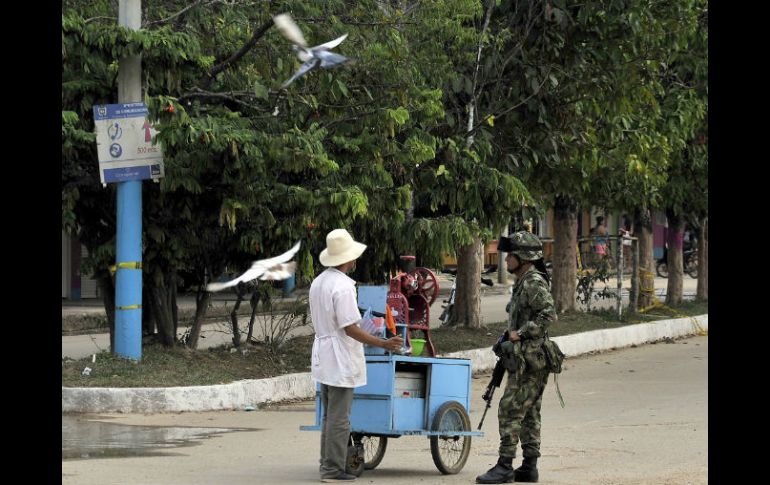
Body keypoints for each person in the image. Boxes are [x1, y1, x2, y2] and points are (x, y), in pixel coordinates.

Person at [309, 228, 403, 483]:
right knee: (339, 418)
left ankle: (326, 464)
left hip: (324, 354)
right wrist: (383, 342)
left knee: (330, 415)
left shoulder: (319, 282)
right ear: (347, 259)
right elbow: (350, 328)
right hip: (339, 356)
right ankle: (331, 470)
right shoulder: (342, 286)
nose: (354, 260)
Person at [476, 230, 557, 484]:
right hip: (527, 358)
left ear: (523, 257)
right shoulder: (524, 281)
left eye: (511, 254)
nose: (507, 259)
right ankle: (529, 466)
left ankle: (505, 466)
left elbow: (548, 315)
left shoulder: (533, 281)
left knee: (510, 408)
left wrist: (520, 334)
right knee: (530, 411)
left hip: (530, 358)